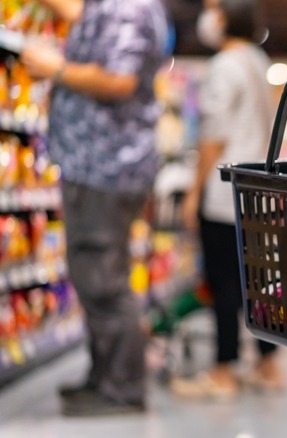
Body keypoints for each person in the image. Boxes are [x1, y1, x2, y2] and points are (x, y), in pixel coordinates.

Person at [19, 0, 167, 416]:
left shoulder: (128, 6)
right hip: (102, 164)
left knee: (102, 277)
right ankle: (104, 378)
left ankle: (121, 388)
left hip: (106, 166)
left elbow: (120, 79)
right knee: (96, 275)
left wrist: (56, 68)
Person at [174, 0, 283, 399]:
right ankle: (268, 364)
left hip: (224, 192)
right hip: (256, 192)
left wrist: (193, 191)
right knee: (255, 281)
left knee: (223, 284)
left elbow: (214, 136)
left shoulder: (224, 65)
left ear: (227, 16)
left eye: (214, 8)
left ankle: (222, 370)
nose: (208, 16)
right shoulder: (258, 60)